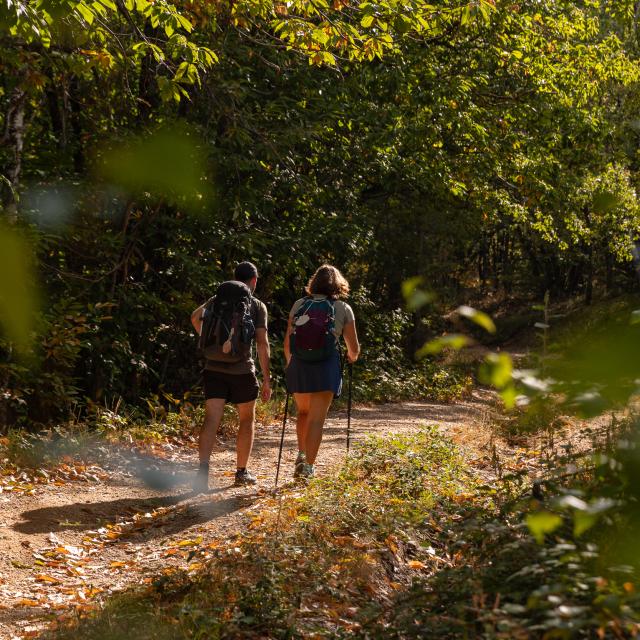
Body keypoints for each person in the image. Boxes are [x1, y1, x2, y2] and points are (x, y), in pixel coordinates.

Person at [190, 261, 271, 491]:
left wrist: (209, 340)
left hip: (213, 368)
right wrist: (267, 378)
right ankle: (241, 472)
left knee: (211, 419)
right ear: (254, 280)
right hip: (242, 370)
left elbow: (195, 317)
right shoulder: (256, 305)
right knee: (246, 420)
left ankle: (202, 474)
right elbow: (263, 344)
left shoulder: (217, 300)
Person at [284, 265, 360, 479]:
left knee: (303, 413)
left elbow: (288, 342)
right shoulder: (343, 308)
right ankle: (308, 468)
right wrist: (352, 357)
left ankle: (300, 454)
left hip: (299, 365)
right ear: (338, 284)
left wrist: (291, 364)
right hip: (326, 366)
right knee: (317, 419)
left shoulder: (299, 305)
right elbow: (353, 347)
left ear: (314, 283)